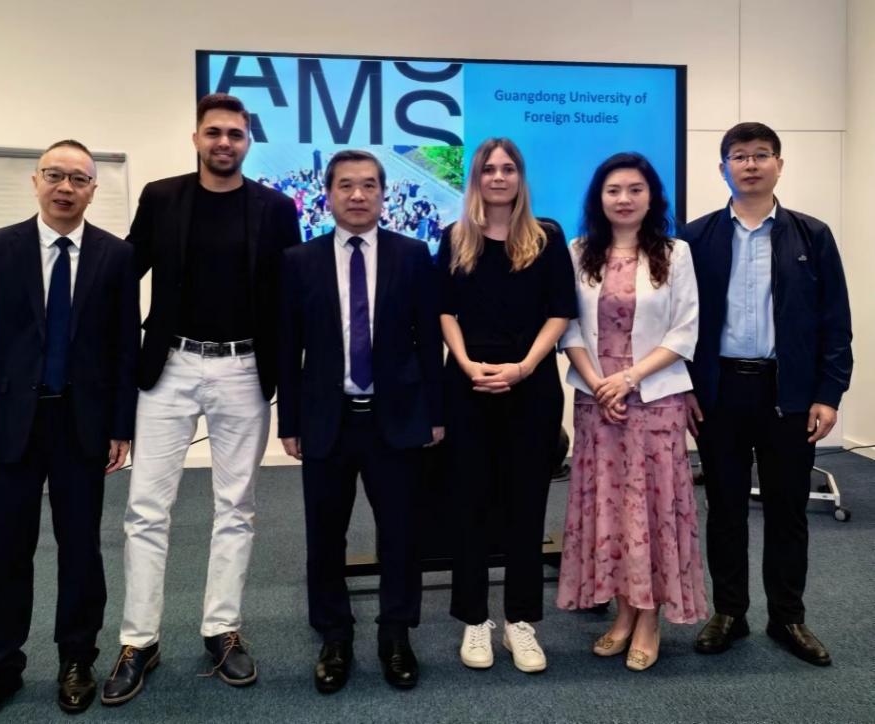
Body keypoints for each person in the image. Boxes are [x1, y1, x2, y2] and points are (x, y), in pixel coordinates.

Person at [102, 94, 301, 704]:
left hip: (244, 367)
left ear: (247, 142)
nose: (224, 143)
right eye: (213, 132)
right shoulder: (162, 197)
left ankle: (221, 629)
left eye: (235, 134)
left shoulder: (276, 208)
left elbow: (290, 300)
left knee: (236, 507)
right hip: (171, 365)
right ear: (196, 138)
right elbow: (122, 274)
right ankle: (139, 641)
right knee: (145, 508)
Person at [0, 140, 139, 722]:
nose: (65, 187)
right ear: (36, 181)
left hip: (82, 426)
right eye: (55, 175)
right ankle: (0, 666)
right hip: (10, 427)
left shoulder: (115, 256)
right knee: (9, 548)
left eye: (78, 179)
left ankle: (77, 659)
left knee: (81, 548)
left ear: (93, 190)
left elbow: (124, 348)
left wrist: (121, 426)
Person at [683, 122, 852, 666]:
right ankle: (729, 612)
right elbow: (680, 323)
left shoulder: (812, 236)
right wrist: (685, 389)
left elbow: (835, 322)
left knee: (787, 510)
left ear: (780, 164)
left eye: (761, 154)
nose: (750, 164)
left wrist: (829, 394)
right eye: (739, 156)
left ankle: (787, 617)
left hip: (789, 393)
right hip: (720, 392)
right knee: (725, 508)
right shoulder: (696, 238)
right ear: (723, 168)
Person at [278, 150, 443, 693]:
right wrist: (289, 422)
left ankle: (396, 634)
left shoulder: (412, 255)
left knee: (401, 533)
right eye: (346, 185)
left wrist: (435, 413)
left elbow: (429, 340)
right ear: (327, 194)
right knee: (325, 535)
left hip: (395, 420)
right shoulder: (299, 261)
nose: (357, 195)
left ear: (382, 194)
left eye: (369, 185)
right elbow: (289, 348)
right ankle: (334, 635)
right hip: (328, 420)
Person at [555, 152, 707, 672]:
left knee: (653, 511)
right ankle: (623, 612)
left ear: (651, 197)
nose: (624, 199)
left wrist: (629, 378)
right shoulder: (579, 252)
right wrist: (600, 383)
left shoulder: (675, 253)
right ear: (599, 198)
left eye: (635, 189)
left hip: (655, 399)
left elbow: (685, 330)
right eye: (614, 190)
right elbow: (568, 327)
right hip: (597, 403)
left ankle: (649, 618)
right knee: (610, 511)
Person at [438, 137, 576, 673]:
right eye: (489, 169)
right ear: (476, 178)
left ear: (520, 177)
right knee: (468, 504)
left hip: (531, 389)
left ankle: (521, 621)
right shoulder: (455, 238)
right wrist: (467, 363)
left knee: (526, 506)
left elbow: (560, 312)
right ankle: (475, 619)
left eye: (508, 168)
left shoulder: (548, 237)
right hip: (468, 388)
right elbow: (444, 311)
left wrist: (523, 367)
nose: (498, 177)